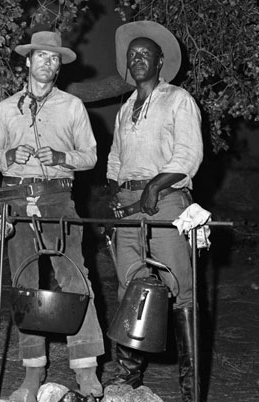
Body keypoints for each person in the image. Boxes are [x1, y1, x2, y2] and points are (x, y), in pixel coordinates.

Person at [0, 31, 104, 401]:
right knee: (24, 285)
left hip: (58, 199)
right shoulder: (6, 108)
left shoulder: (72, 107)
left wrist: (64, 158)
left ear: (58, 66)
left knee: (74, 275)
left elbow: (91, 156)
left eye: (55, 59)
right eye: (42, 57)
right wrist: (7, 157)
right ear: (28, 61)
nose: (48, 64)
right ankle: (33, 373)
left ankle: (86, 369)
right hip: (17, 199)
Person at [106, 21, 203, 402]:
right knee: (131, 287)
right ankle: (127, 382)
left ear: (160, 62)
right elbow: (115, 159)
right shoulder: (125, 108)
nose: (137, 60)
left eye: (145, 54)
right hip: (129, 208)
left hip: (165, 202)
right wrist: (115, 192)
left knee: (180, 289)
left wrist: (154, 186)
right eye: (132, 56)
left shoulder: (178, 99)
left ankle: (191, 389)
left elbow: (189, 155)